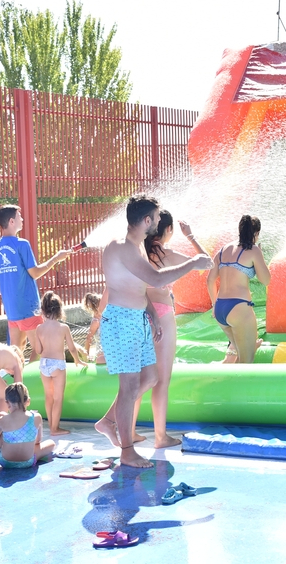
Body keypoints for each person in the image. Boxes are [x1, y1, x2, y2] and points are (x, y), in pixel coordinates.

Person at [94, 194, 213, 468]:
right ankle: (127, 451)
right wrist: (193, 263)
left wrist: (151, 313)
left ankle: (109, 421)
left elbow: (139, 287)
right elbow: (155, 279)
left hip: (138, 318)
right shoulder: (123, 247)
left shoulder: (135, 248)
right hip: (122, 321)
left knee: (150, 376)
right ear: (147, 220)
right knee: (129, 387)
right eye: (157, 218)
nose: (159, 222)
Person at [136, 211, 207, 448]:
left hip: (139, 314)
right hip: (163, 315)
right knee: (161, 380)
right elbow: (206, 262)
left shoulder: (139, 252)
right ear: (167, 230)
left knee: (138, 378)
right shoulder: (168, 254)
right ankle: (160, 436)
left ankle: (129, 432)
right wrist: (191, 236)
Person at [0, 204, 72, 361]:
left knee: (16, 351)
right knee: (41, 350)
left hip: (12, 310)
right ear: (11, 221)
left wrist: (7, 293)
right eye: (19, 216)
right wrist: (56, 258)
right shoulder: (22, 244)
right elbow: (35, 273)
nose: (22, 219)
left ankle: (16, 376)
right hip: (28, 307)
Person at [207, 215, 271, 364]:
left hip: (221, 309)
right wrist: (260, 257)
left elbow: (209, 280)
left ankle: (250, 347)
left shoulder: (223, 249)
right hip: (238, 307)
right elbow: (266, 280)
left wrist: (214, 304)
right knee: (246, 362)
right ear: (256, 233)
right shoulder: (254, 250)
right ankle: (250, 348)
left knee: (240, 355)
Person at [34, 290, 86, 436]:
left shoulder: (39, 328)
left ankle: (51, 425)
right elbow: (72, 348)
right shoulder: (63, 328)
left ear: (43, 310)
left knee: (48, 396)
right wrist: (77, 360)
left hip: (44, 364)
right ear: (59, 310)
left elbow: (38, 350)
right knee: (58, 398)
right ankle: (55, 429)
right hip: (57, 364)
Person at [0, 382, 55, 469]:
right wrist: (25, 440)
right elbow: (38, 441)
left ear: (7, 403)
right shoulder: (37, 417)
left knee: (1, 416)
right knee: (51, 443)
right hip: (28, 462)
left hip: (4, 462)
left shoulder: (3, 420)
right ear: (28, 401)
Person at [82, 292, 106, 365]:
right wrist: (87, 356)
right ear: (98, 306)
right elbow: (88, 339)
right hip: (102, 353)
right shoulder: (96, 321)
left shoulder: (104, 318)